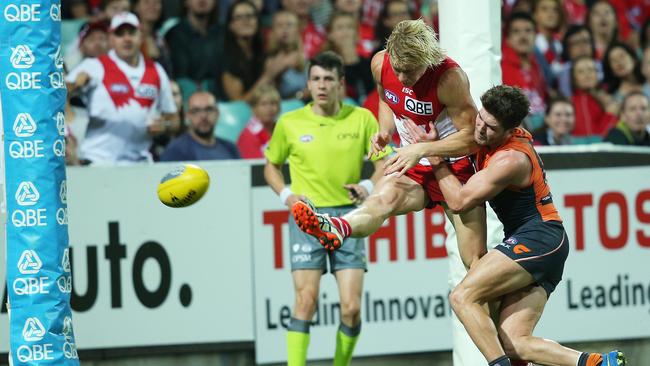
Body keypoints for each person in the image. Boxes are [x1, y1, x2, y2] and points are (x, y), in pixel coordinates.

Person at [420, 85, 627, 366]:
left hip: (539, 238)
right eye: (480, 118)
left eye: (490, 127)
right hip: (546, 243)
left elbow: (458, 201)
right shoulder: (501, 138)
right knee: (514, 343)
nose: (479, 129)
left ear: (510, 130)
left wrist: (434, 159)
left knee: (462, 296)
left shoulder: (510, 159)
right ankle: (598, 363)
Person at [292, 19, 486, 272]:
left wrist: (426, 149)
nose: (403, 78)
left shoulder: (449, 78)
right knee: (380, 201)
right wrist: (385, 131)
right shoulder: (380, 64)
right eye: (398, 69)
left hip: (454, 164)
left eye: (411, 71)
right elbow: (387, 100)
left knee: (474, 261)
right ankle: (337, 227)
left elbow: (473, 137)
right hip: (412, 160)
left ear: (427, 60)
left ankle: (488, 308)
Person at [264, 51, 382, 366]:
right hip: (307, 218)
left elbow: (384, 163)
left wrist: (368, 187)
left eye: (329, 79)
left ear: (341, 84)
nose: (322, 85)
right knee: (305, 300)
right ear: (308, 83)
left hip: (349, 217)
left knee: (352, 308)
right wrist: (288, 197)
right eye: (316, 79)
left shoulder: (362, 119)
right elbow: (271, 167)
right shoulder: (290, 122)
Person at [65, 12, 179, 165]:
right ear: (111, 39)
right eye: (120, 34)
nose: (127, 39)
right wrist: (74, 85)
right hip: (98, 161)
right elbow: (57, 93)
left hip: (140, 162)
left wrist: (165, 126)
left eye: (131, 33)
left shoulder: (156, 71)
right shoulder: (95, 66)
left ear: (141, 36)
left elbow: (174, 120)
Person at [160, 91, 240, 161]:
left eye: (209, 109)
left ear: (217, 114)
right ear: (187, 116)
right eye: (196, 111)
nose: (203, 116)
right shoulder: (175, 151)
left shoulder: (230, 148)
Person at [238, 85, 281, 159]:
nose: (269, 108)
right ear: (254, 108)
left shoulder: (282, 130)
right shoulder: (248, 136)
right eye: (263, 104)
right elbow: (256, 167)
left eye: (273, 103)